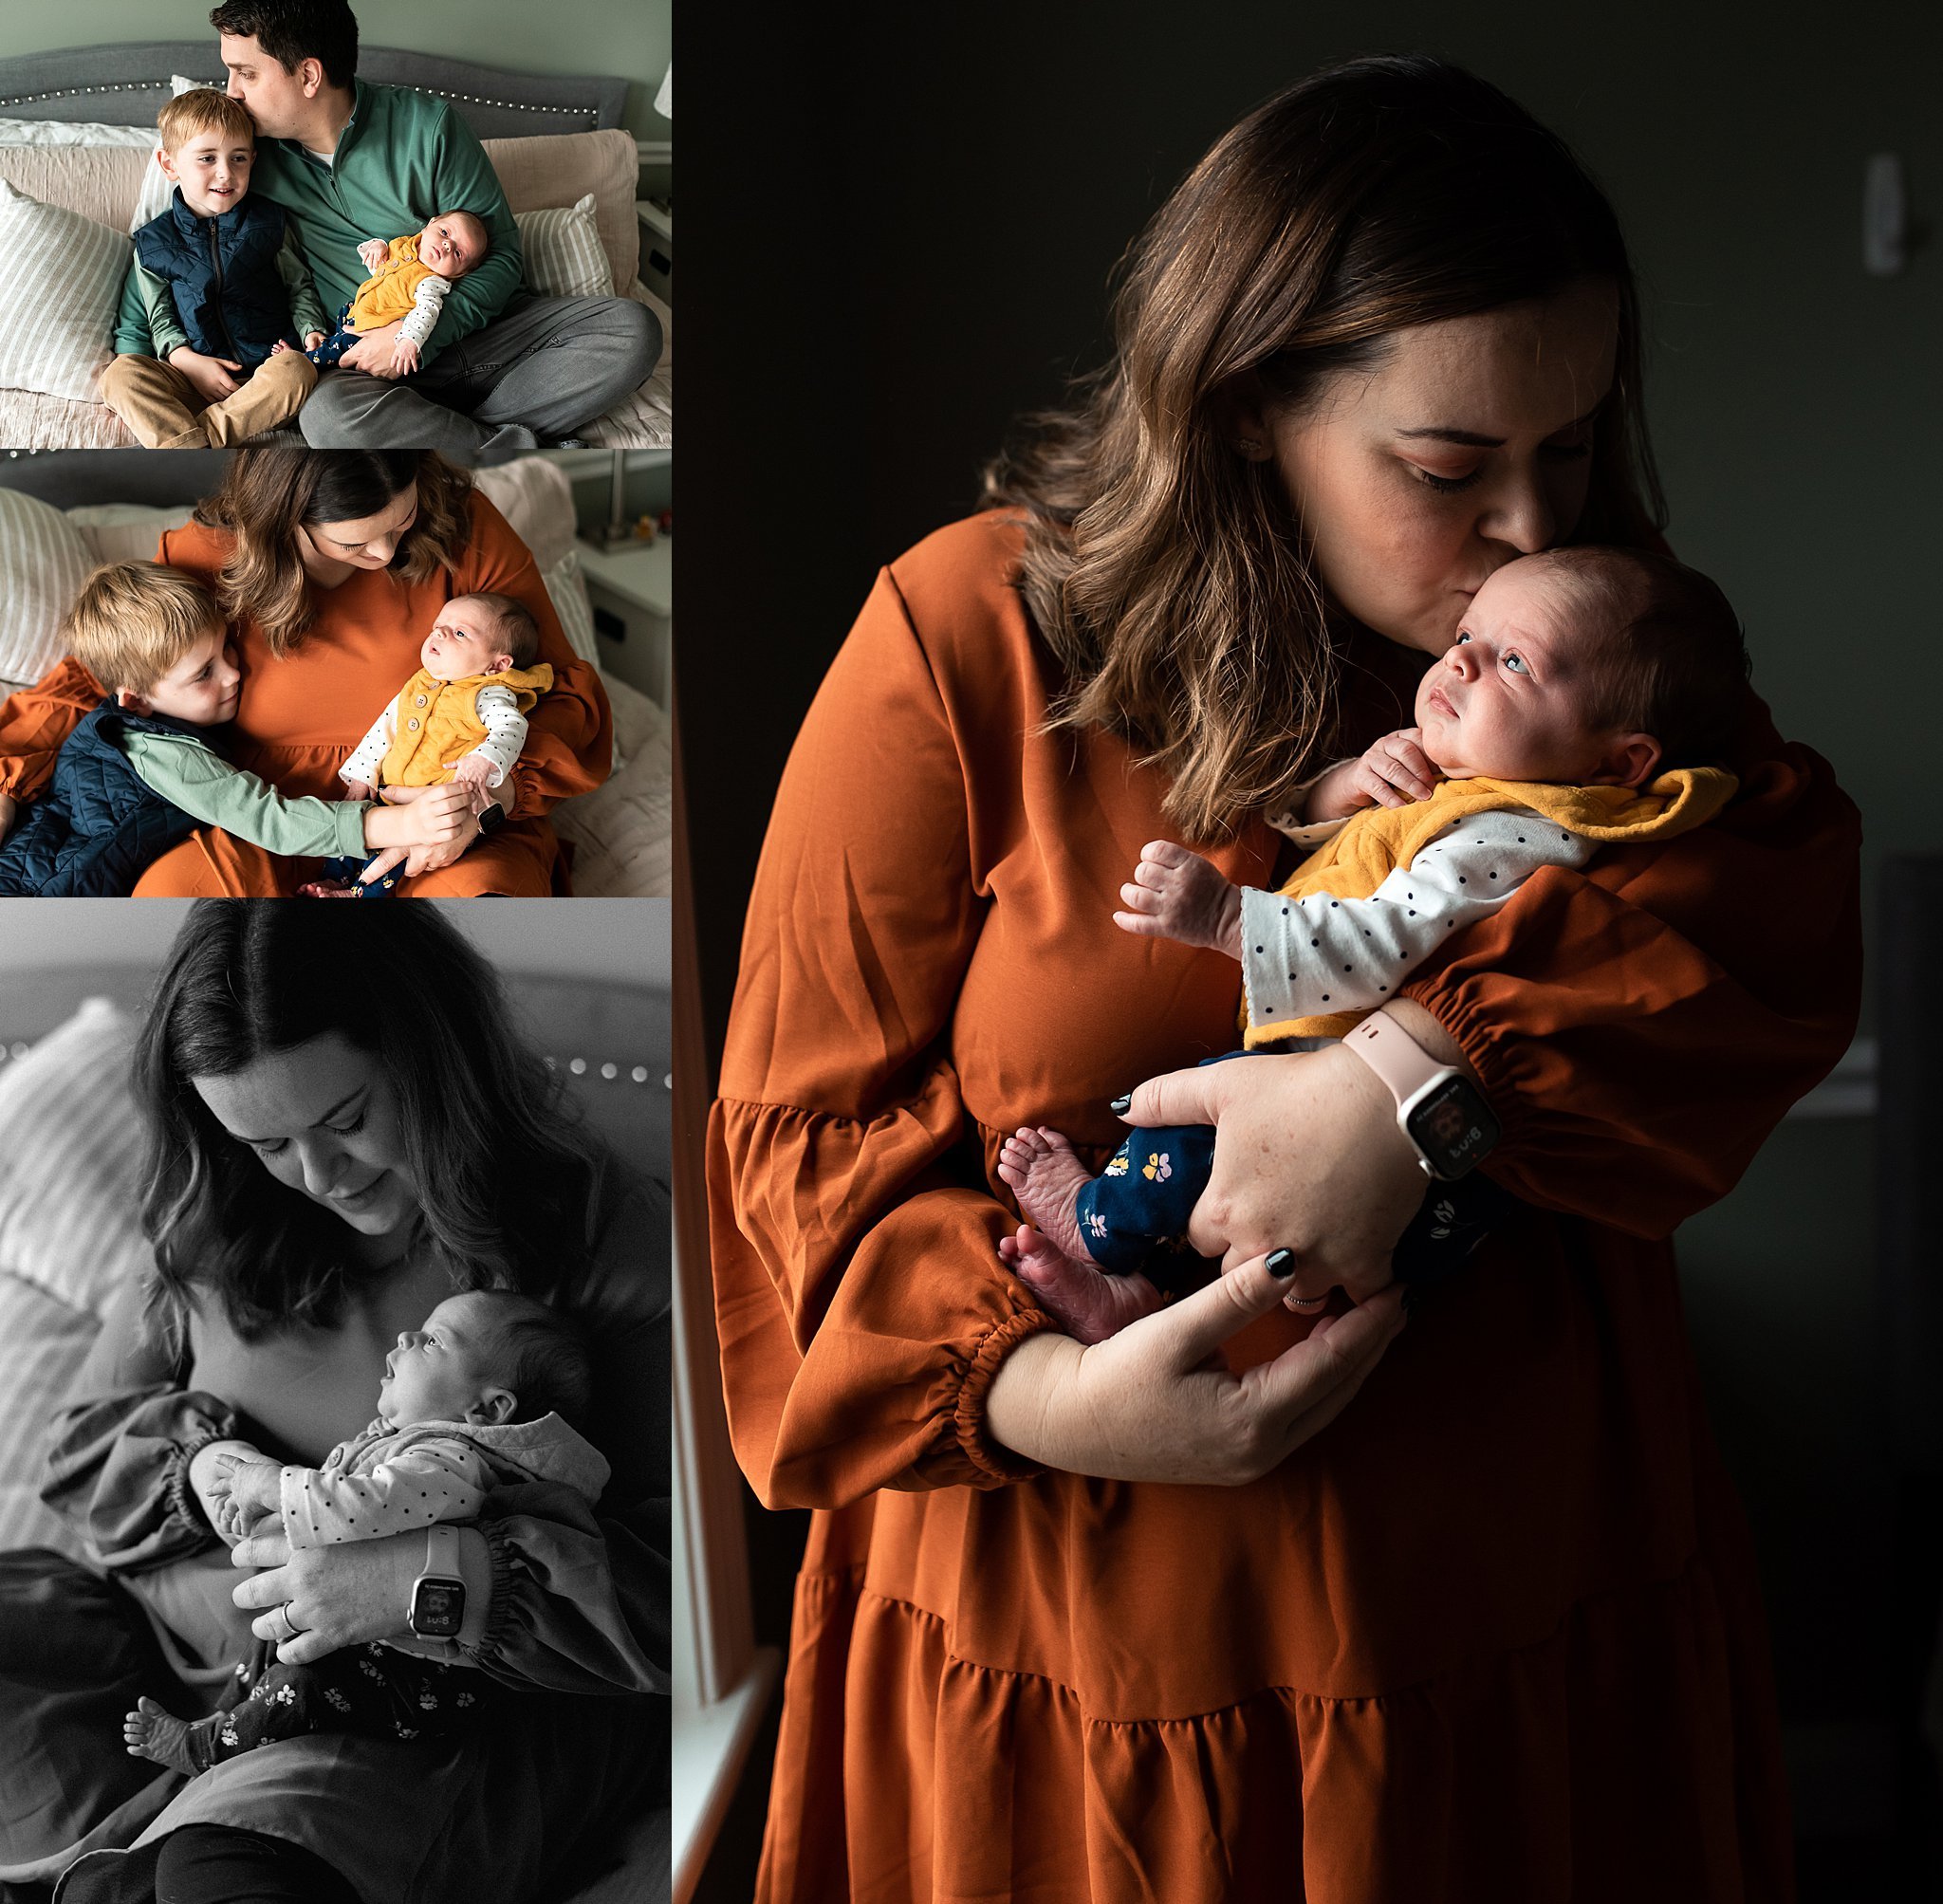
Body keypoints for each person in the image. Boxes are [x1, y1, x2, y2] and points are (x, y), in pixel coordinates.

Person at [706, 55, 1862, 1902]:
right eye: (1448, 466)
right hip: (1074, 1653)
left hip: (1506, 1646)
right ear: (1247, 405)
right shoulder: (961, 636)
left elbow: (1769, 912)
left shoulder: (1584, 663)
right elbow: (802, 1146)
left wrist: (1406, 1083)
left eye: (1564, 451)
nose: (1527, 527)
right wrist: (1045, 1400)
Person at [0, 903, 668, 1903]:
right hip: (168, 1662)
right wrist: (202, 1469)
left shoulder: (595, 1240)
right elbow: (74, 1458)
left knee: (239, 1851)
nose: (316, 1177)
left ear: (433, 1060)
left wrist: (426, 1578)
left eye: (346, 1122)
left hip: (408, 1711)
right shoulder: (217, 1218)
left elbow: (693, 1589)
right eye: (265, 1142)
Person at [997, 545, 1747, 1318]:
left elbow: (1381, 948)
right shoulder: (1475, 788)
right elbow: (1350, 856)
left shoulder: (1509, 836)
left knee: (1185, 1144)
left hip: (1344, 1086)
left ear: (1620, 761)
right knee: (1241, 1214)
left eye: (1515, 662)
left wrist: (1228, 919)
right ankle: (1134, 1296)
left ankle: (1098, 1229)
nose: (1461, 666)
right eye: (1465, 638)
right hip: (1429, 1187)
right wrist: (1347, 788)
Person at [0, 448, 611, 897]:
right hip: (261, 815)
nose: (387, 556)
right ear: (282, 522)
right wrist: (6, 782)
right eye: (355, 544)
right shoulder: (209, 553)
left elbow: (560, 691)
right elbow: (93, 678)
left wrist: (487, 799)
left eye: (399, 524)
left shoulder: (463, 528)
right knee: (175, 906)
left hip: (444, 806)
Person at [124, 1290, 608, 1775]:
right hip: (365, 1638)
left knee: (302, 1682)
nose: (407, 1336)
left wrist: (273, 1486)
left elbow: (365, 1507)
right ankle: (227, 1716)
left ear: (486, 1410)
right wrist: (262, 1512)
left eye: (435, 1341)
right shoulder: (409, 1446)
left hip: (420, 1676)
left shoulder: (451, 1462)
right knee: (274, 1633)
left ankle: (209, 1749)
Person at [207, 0, 661, 454]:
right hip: (366, 363)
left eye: (246, 73)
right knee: (327, 416)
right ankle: (507, 445)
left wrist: (411, 339)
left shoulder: (428, 128)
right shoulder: (248, 157)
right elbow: (186, 207)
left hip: (487, 341)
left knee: (634, 329)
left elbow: (502, 259)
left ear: (309, 76)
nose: (232, 92)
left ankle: (441, 434)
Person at [0, 562, 468, 897]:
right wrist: (399, 823)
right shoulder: (163, 753)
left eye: (227, 648)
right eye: (203, 674)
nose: (232, 674)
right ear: (135, 701)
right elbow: (268, 819)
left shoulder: (136, 720)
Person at [99, 88, 325, 449]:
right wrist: (185, 360)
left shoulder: (268, 224)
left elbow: (299, 287)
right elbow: (156, 318)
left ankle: (198, 440)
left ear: (253, 159)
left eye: (238, 158)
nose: (225, 173)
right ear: (170, 164)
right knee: (119, 376)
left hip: (262, 378)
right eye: (207, 158)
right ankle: (187, 439)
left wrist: (310, 329)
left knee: (297, 370)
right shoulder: (154, 242)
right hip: (191, 377)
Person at [304, 590, 552, 897]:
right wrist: (361, 773)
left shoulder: (486, 694)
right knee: (353, 832)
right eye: (438, 625)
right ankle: (335, 879)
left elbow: (512, 727)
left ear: (497, 665)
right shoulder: (420, 683)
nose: (439, 632)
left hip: (432, 806)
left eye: (459, 633)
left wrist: (483, 759)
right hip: (386, 791)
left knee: (392, 862)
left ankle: (356, 895)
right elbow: (386, 727)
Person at [307, 212, 492, 377]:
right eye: (445, 233)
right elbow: (379, 272)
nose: (447, 245)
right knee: (340, 324)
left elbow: (427, 312)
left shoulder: (430, 281)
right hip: (357, 310)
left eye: (458, 253)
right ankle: (327, 344)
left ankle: (303, 362)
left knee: (335, 351)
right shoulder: (404, 245)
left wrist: (408, 342)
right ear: (431, 224)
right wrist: (377, 247)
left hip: (371, 328)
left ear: (459, 272)